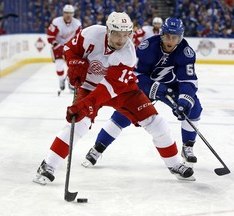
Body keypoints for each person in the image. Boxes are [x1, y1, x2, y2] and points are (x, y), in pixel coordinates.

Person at [33, 12, 194, 185]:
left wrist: (86, 104)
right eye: (117, 33)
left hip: (122, 90)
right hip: (89, 85)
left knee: (156, 123)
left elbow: (108, 89)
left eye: (125, 34)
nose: (121, 39)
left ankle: (175, 164)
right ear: (108, 30)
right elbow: (69, 49)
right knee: (79, 123)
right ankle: (48, 165)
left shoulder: (128, 55)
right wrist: (73, 63)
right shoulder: (91, 33)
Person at [82, 17, 202, 170]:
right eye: (167, 36)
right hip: (146, 86)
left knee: (194, 108)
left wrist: (184, 101)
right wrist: (154, 87)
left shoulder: (186, 52)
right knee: (123, 115)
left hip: (172, 86)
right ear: (161, 34)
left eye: (175, 37)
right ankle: (98, 148)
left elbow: (189, 81)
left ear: (181, 37)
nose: (170, 41)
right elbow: (135, 75)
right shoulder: (147, 47)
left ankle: (188, 146)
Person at [46, 4, 81, 94]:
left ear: (73, 14)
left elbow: (79, 37)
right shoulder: (56, 22)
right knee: (59, 64)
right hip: (58, 46)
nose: (68, 15)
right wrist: (55, 43)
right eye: (66, 13)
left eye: (70, 13)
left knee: (72, 66)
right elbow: (50, 36)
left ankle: (71, 83)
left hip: (70, 46)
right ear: (63, 13)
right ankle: (61, 80)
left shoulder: (77, 24)